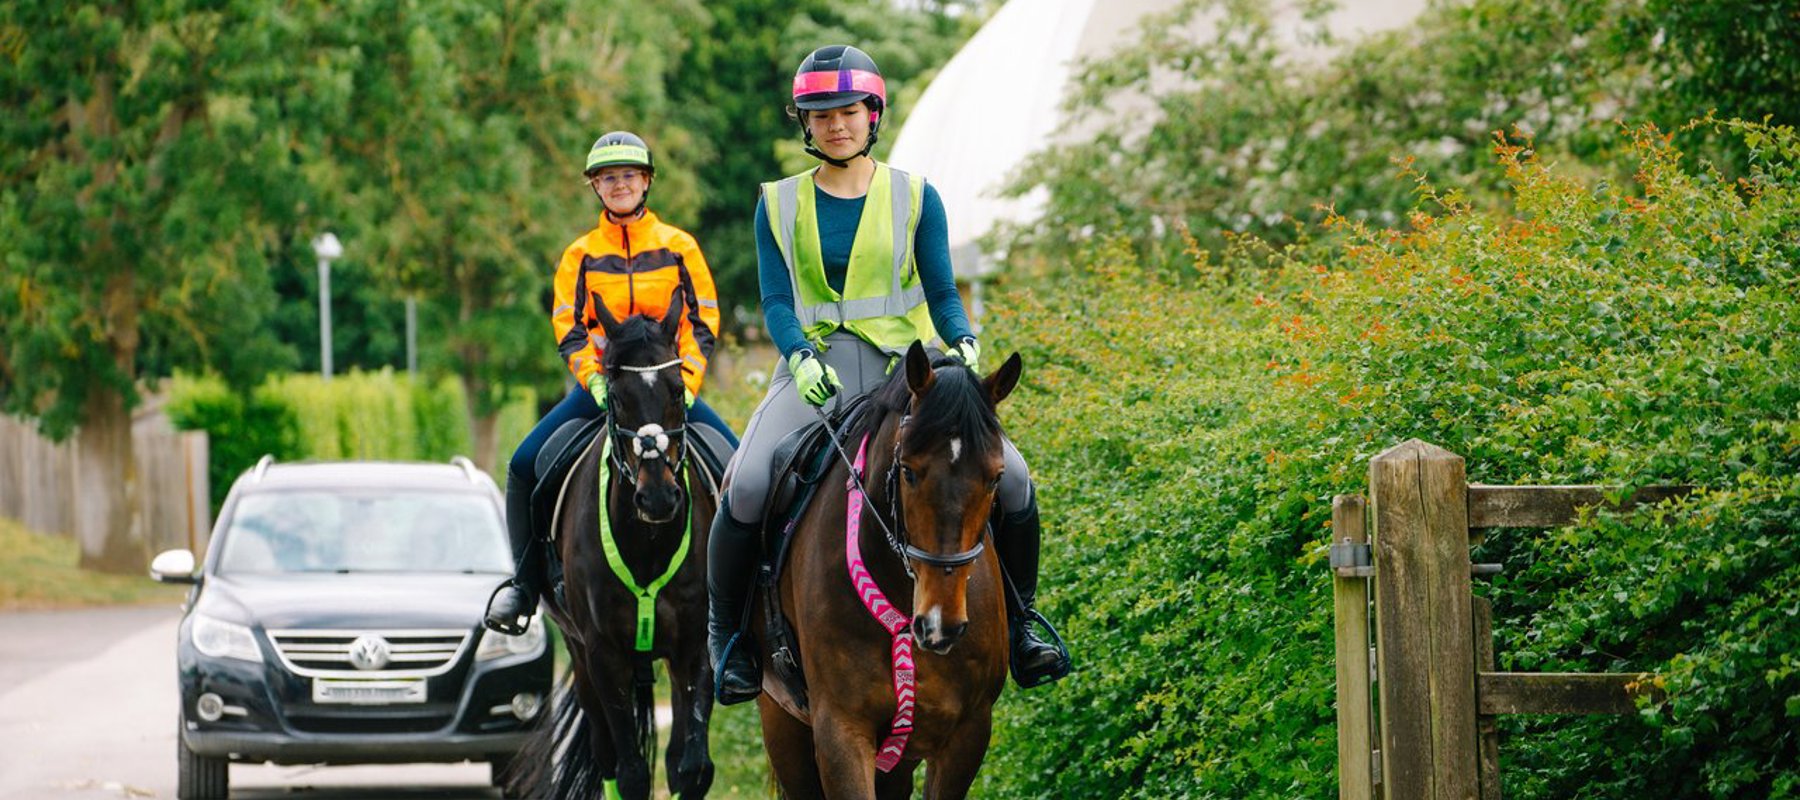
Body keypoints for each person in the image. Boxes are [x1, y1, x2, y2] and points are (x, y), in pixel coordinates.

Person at [706, 45, 1071, 705]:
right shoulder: (776, 204)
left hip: (903, 370)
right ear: (804, 124)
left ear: (872, 114)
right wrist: (798, 355)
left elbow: (942, 288)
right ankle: (727, 641)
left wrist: (961, 338)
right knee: (748, 481)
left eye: (847, 110)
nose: (835, 124)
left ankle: (1022, 629)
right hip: (814, 369)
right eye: (820, 115)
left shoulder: (915, 195)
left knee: (1013, 477)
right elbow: (776, 302)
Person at [484, 130, 736, 635]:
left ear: (646, 182)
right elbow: (568, 326)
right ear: (595, 187)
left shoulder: (679, 247)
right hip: (604, 391)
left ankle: (746, 599)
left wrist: (685, 383)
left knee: (738, 470)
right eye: (607, 178)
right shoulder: (580, 255)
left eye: (628, 176)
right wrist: (594, 382)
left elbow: (704, 320)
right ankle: (524, 587)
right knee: (524, 465)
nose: (619, 185)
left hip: (670, 393)